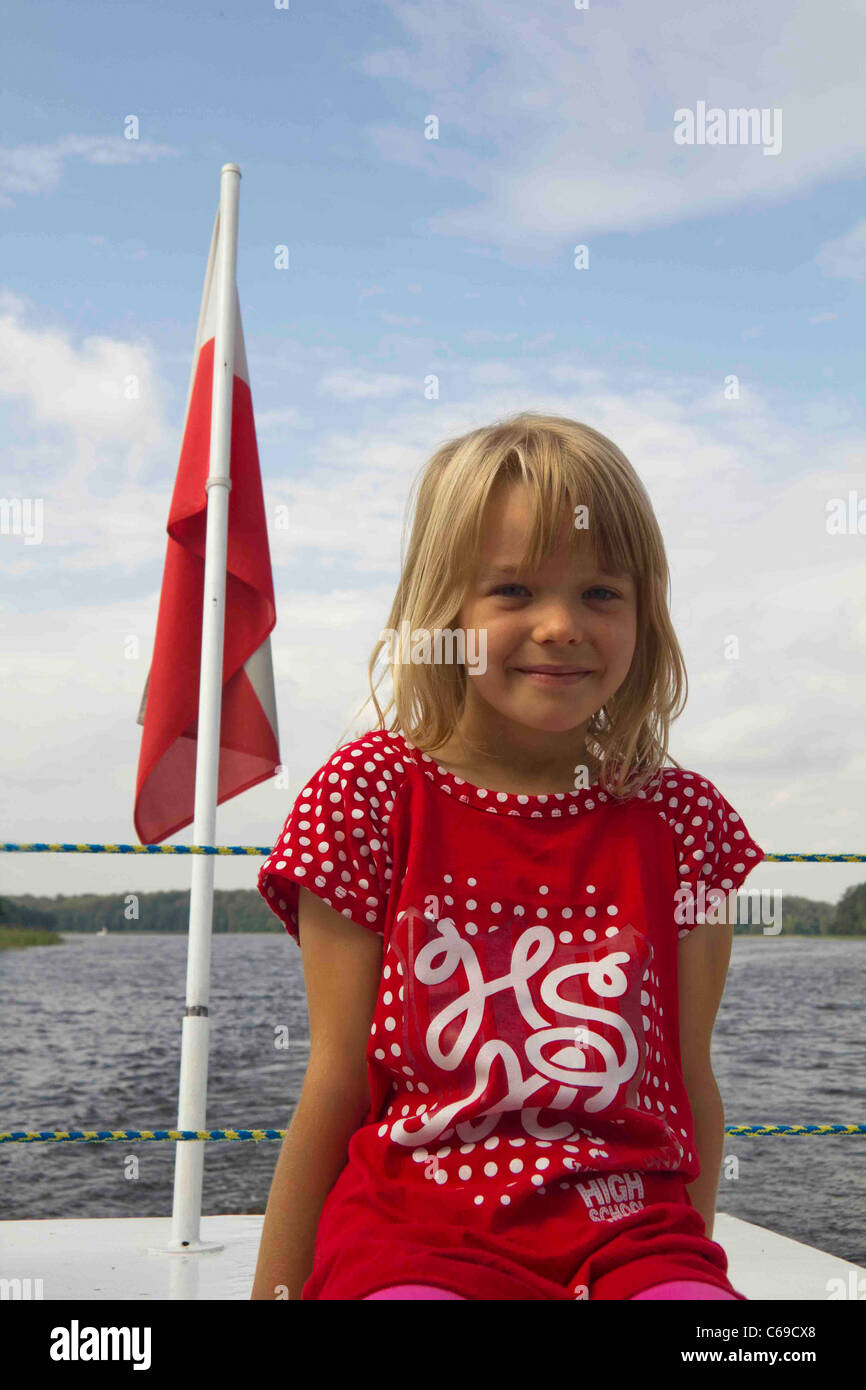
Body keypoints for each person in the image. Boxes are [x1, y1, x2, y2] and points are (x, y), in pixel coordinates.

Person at [251, 412, 765, 1301]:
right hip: (415, 1234)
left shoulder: (683, 823)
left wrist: (685, 1273)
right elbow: (336, 1079)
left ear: (646, 613)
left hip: (632, 1229)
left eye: (602, 593)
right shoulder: (370, 797)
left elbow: (689, 1081)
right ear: (444, 609)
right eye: (514, 592)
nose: (561, 625)